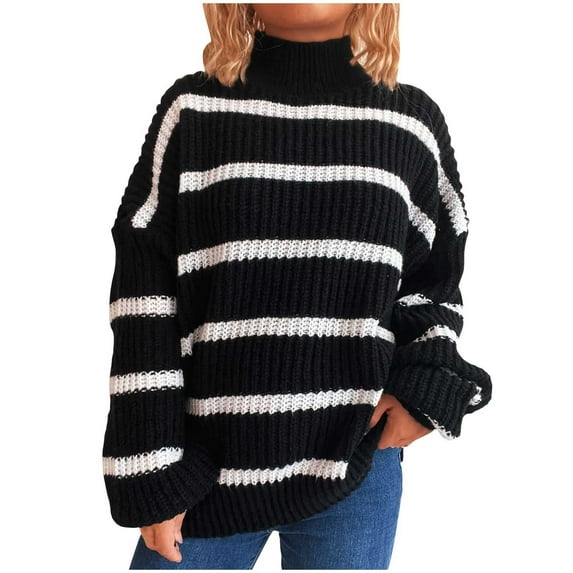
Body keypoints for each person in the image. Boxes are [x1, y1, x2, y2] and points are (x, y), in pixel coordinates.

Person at [102, 3, 493, 569]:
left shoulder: (411, 121)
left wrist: (421, 391)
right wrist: (151, 467)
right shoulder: (193, 111)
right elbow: (143, 298)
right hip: (198, 473)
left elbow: (433, 283)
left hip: (354, 466)